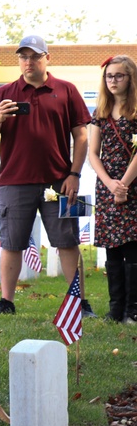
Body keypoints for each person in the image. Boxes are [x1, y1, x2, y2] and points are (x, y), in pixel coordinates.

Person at [0, 35, 94, 316]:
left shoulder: (66, 90)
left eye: (34, 56)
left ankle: (78, 302)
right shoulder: (4, 93)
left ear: (47, 58)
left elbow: (81, 136)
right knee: (12, 242)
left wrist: (75, 174)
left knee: (68, 241)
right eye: (23, 57)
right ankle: (6, 302)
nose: (28, 62)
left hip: (60, 181)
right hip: (13, 180)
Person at [88, 55, 137, 322]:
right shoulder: (101, 113)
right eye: (109, 76)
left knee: (132, 246)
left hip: (132, 186)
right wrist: (110, 184)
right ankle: (115, 309)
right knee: (112, 248)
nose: (113, 81)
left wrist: (124, 185)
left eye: (119, 76)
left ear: (131, 78)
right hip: (107, 185)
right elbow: (93, 154)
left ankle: (133, 309)